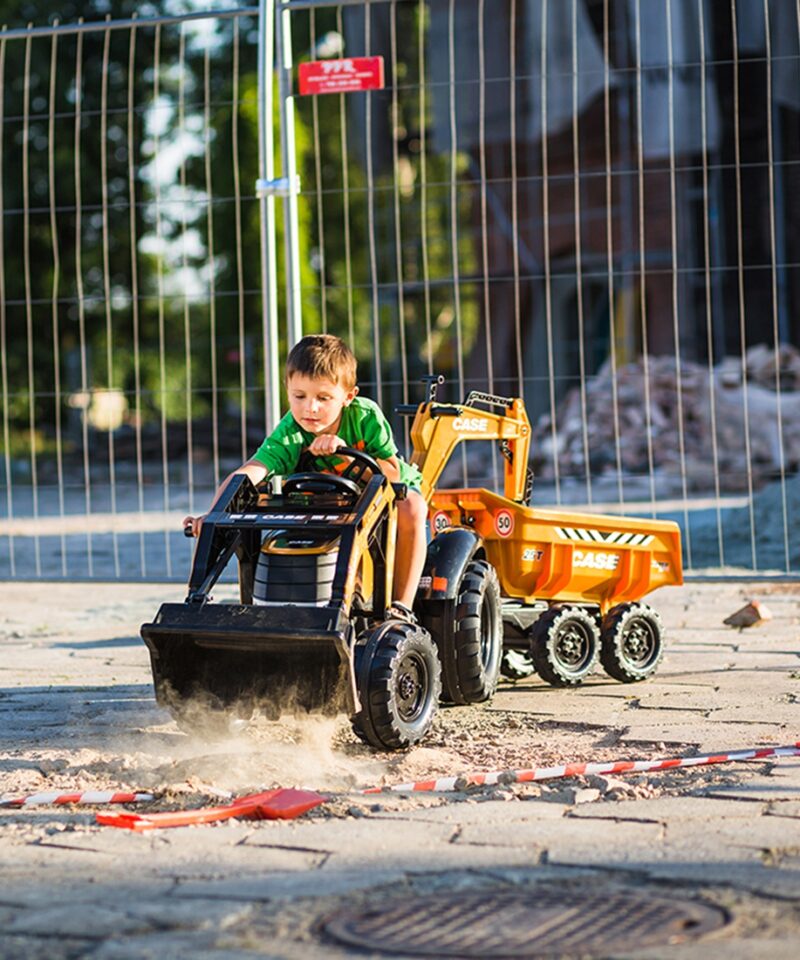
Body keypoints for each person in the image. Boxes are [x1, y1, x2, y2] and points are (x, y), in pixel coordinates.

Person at [183, 334, 427, 622]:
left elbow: (391, 472)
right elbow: (251, 470)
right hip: (323, 500)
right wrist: (213, 516)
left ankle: (401, 606)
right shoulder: (290, 429)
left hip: (379, 493)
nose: (310, 408)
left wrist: (346, 455)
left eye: (323, 398)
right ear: (287, 390)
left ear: (348, 396)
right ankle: (197, 602)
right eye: (300, 396)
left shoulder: (364, 416)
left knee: (412, 507)